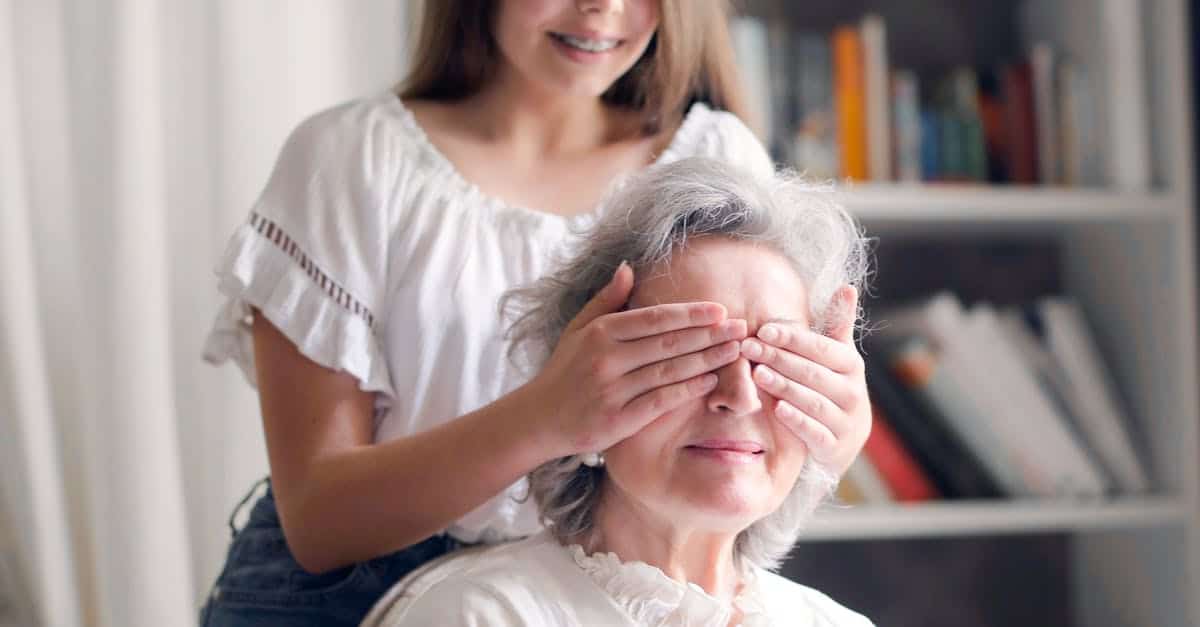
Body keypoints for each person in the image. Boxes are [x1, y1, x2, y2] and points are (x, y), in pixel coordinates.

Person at [198, 1, 874, 625]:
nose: (600, 7)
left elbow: (727, 480)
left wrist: (832, 433)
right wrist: (550, 416)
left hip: (593, 593)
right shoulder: (354, 159)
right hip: (341, 599)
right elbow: (319, 521)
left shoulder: (719, 155)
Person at [365, 157, 874, 626]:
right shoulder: (479, 617)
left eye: (775, 359)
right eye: (685, 354)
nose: (738, 395)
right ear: (585, 386)